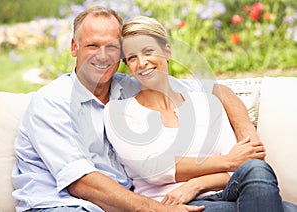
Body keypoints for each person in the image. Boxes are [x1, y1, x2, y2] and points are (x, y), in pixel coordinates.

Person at [12, 5, 265, 212]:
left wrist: (248, 141)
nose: (102, 56)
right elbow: (81, 183)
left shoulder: (130, 86)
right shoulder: (52, 102)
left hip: (122, 206)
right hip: (60, 206)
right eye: (91, 45)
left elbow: (217, 90)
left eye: (112, 46)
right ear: (74, 47)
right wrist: (156, 209)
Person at [103, 15, 297, 211]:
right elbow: (154, 169)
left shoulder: (207, 104)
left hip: (226, 194)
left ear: (167, 51)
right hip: (175, 206)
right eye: (132, 58)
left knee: (256, 169)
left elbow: (241, 164)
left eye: (148, 51)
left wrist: (195, 185)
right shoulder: (119, 113)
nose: (142, 62)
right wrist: (227, 161)